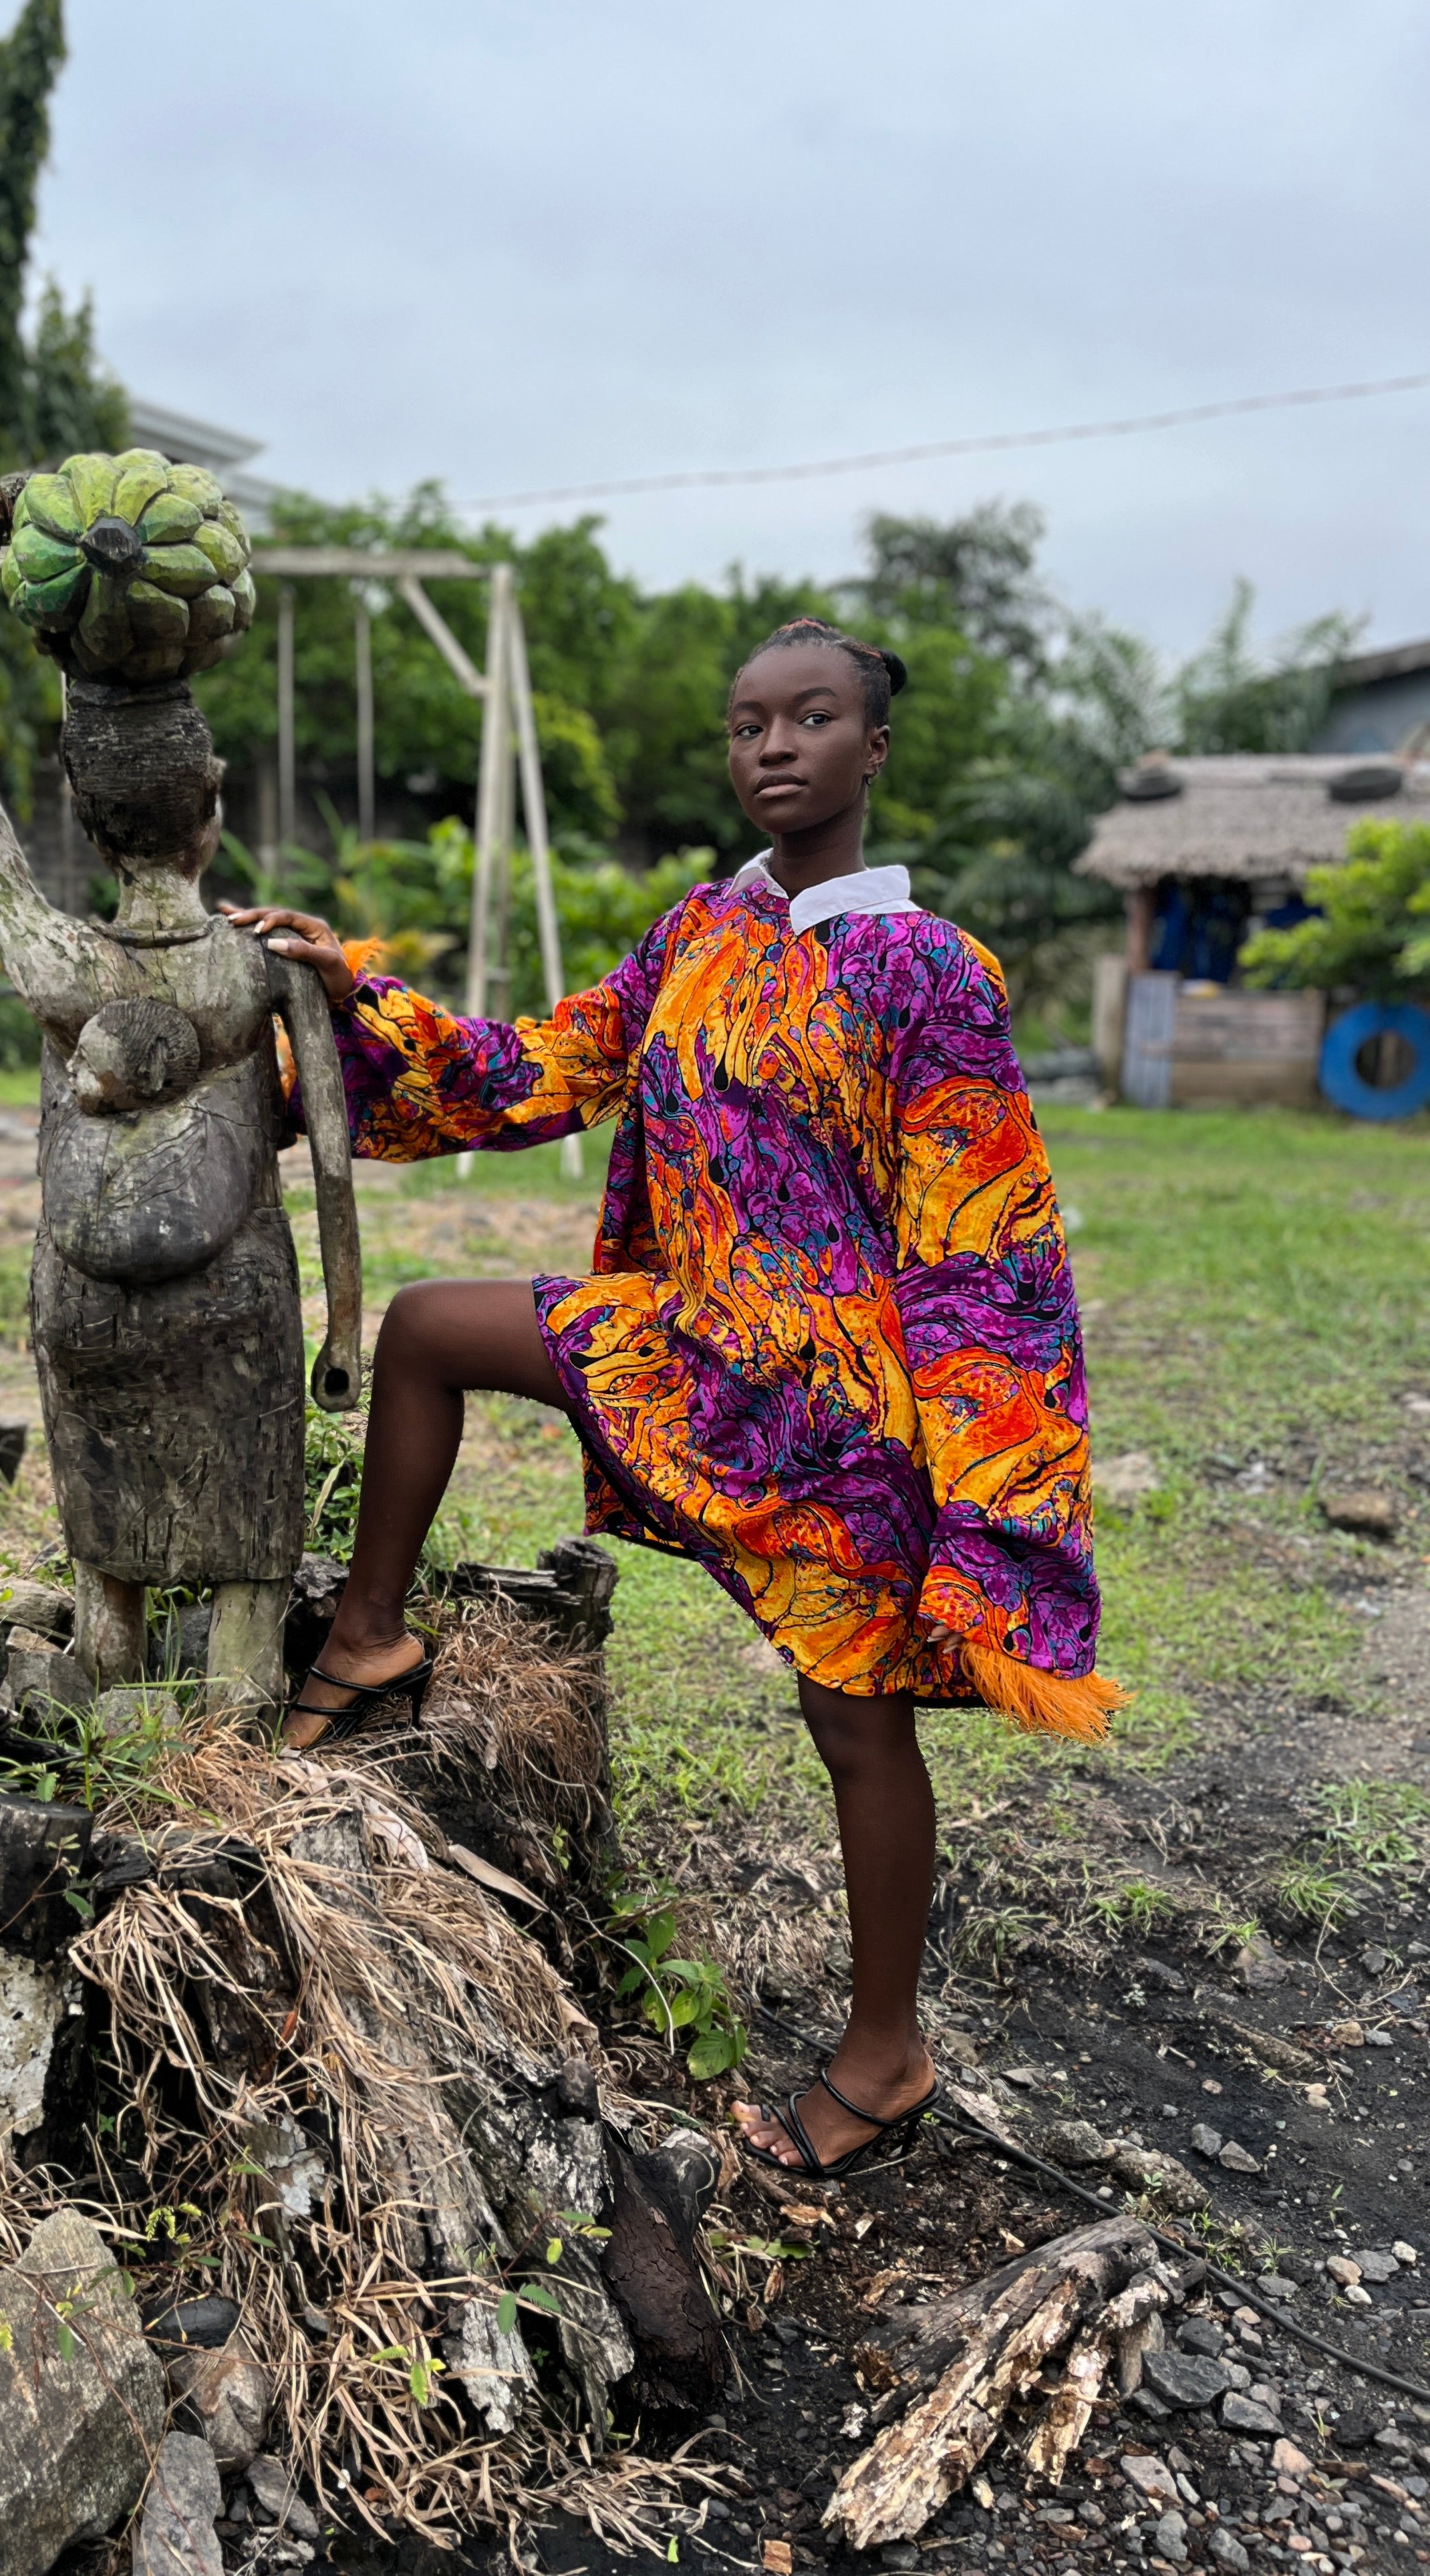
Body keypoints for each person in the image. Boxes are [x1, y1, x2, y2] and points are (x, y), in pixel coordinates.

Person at [224, 617, 1115, 2176]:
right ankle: (368, 1637)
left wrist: (994, 1500)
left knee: (855, 1730)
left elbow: (990, 1255)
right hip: (688, 1351)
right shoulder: (700, 934)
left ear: (873, 748)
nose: (773, 746)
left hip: (840, 1427)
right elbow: (534, 1069)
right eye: (748, 723)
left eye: (812, 718)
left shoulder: (929, 971)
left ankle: (886, 2055)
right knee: (430, 1330)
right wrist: (348, 998)